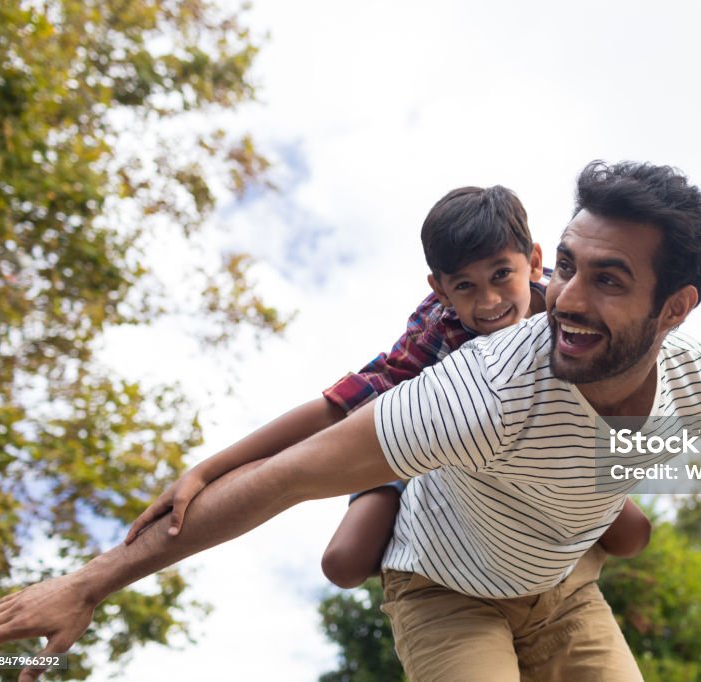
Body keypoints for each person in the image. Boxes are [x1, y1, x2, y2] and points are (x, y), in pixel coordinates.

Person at [0, 161, 701, 682]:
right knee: (349, 557)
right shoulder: (482, 389)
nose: (563, 297)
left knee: (624, 529)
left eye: (607, 279)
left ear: (675, 308)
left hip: (563, 589)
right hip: (449, 589)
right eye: (567, 267)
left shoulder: (696, 374)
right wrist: (89, 582)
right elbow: (287, 474)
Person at [125, 184, 653, 591]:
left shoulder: (565, 317)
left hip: (537, 456)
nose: (488, 301)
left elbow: (639, 387)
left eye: (501, 275)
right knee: (344, 563)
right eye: (465, 286)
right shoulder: (437, 330)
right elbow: (337, 410)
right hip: (427, 443)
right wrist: (204, 470)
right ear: (440, 289)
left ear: (533, 262)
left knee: (633, 535)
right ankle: (430, 548)